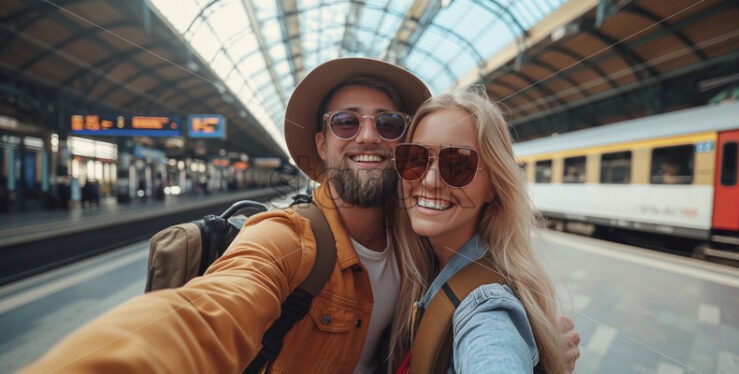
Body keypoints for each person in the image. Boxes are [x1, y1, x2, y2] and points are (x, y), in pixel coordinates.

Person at [21, 58, 578, 373]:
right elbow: (206, 314)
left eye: (388, 125)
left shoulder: (420, 246)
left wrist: (539, 351)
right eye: (345, 123)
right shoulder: (287, 239)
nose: (367, 136)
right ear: (321, 143)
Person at [390, 88, 573, 373]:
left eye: (459, 164)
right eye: (415, 158)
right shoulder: (420, 269)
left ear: (492, 187)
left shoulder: (488, 308)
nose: (430, 180)